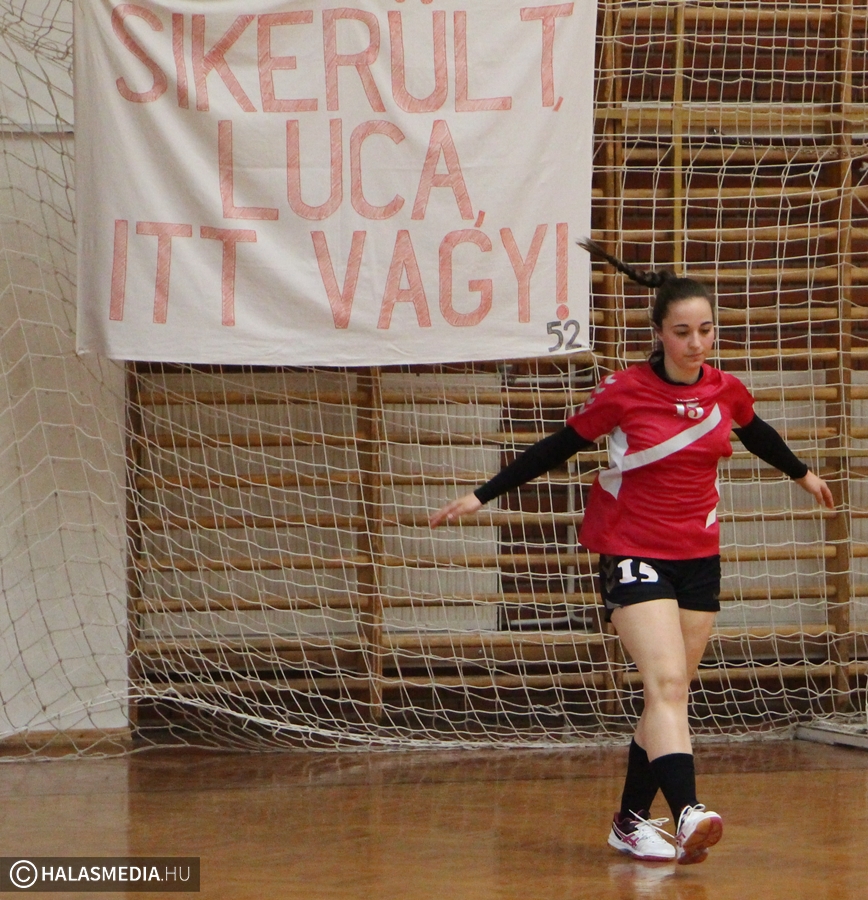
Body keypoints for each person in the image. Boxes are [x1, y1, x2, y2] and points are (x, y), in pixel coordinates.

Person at [429, 238, 834, 865]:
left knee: (670, 693)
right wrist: (482, 496)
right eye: (682, 332)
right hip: (631, 549)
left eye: (705, 331)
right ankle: (689, 809)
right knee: (665, 681)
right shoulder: (624, 391)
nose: (696, 343)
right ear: (659, 333)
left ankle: (629, 821)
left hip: (698, 556)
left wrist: (803, 475)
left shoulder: (726, 389)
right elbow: (557, 445)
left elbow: (756, 432)